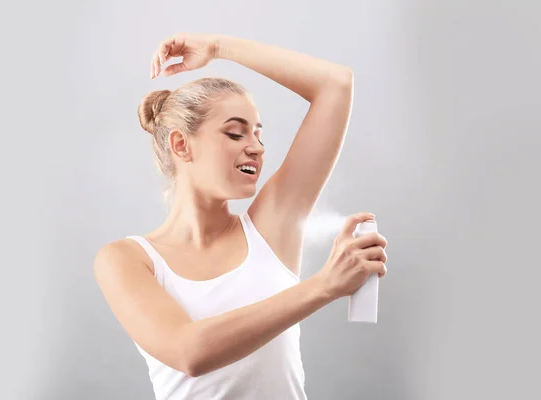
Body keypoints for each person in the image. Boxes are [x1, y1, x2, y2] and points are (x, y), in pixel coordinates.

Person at [94, 33, 388, 400]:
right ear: (182, 145)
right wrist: (324, 285)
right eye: (235, 133)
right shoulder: (126, 260)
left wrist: (219, 48)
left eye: (258, 135)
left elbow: (335, 84)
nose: (256, 147)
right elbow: (189, 352)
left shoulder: (270, 229)